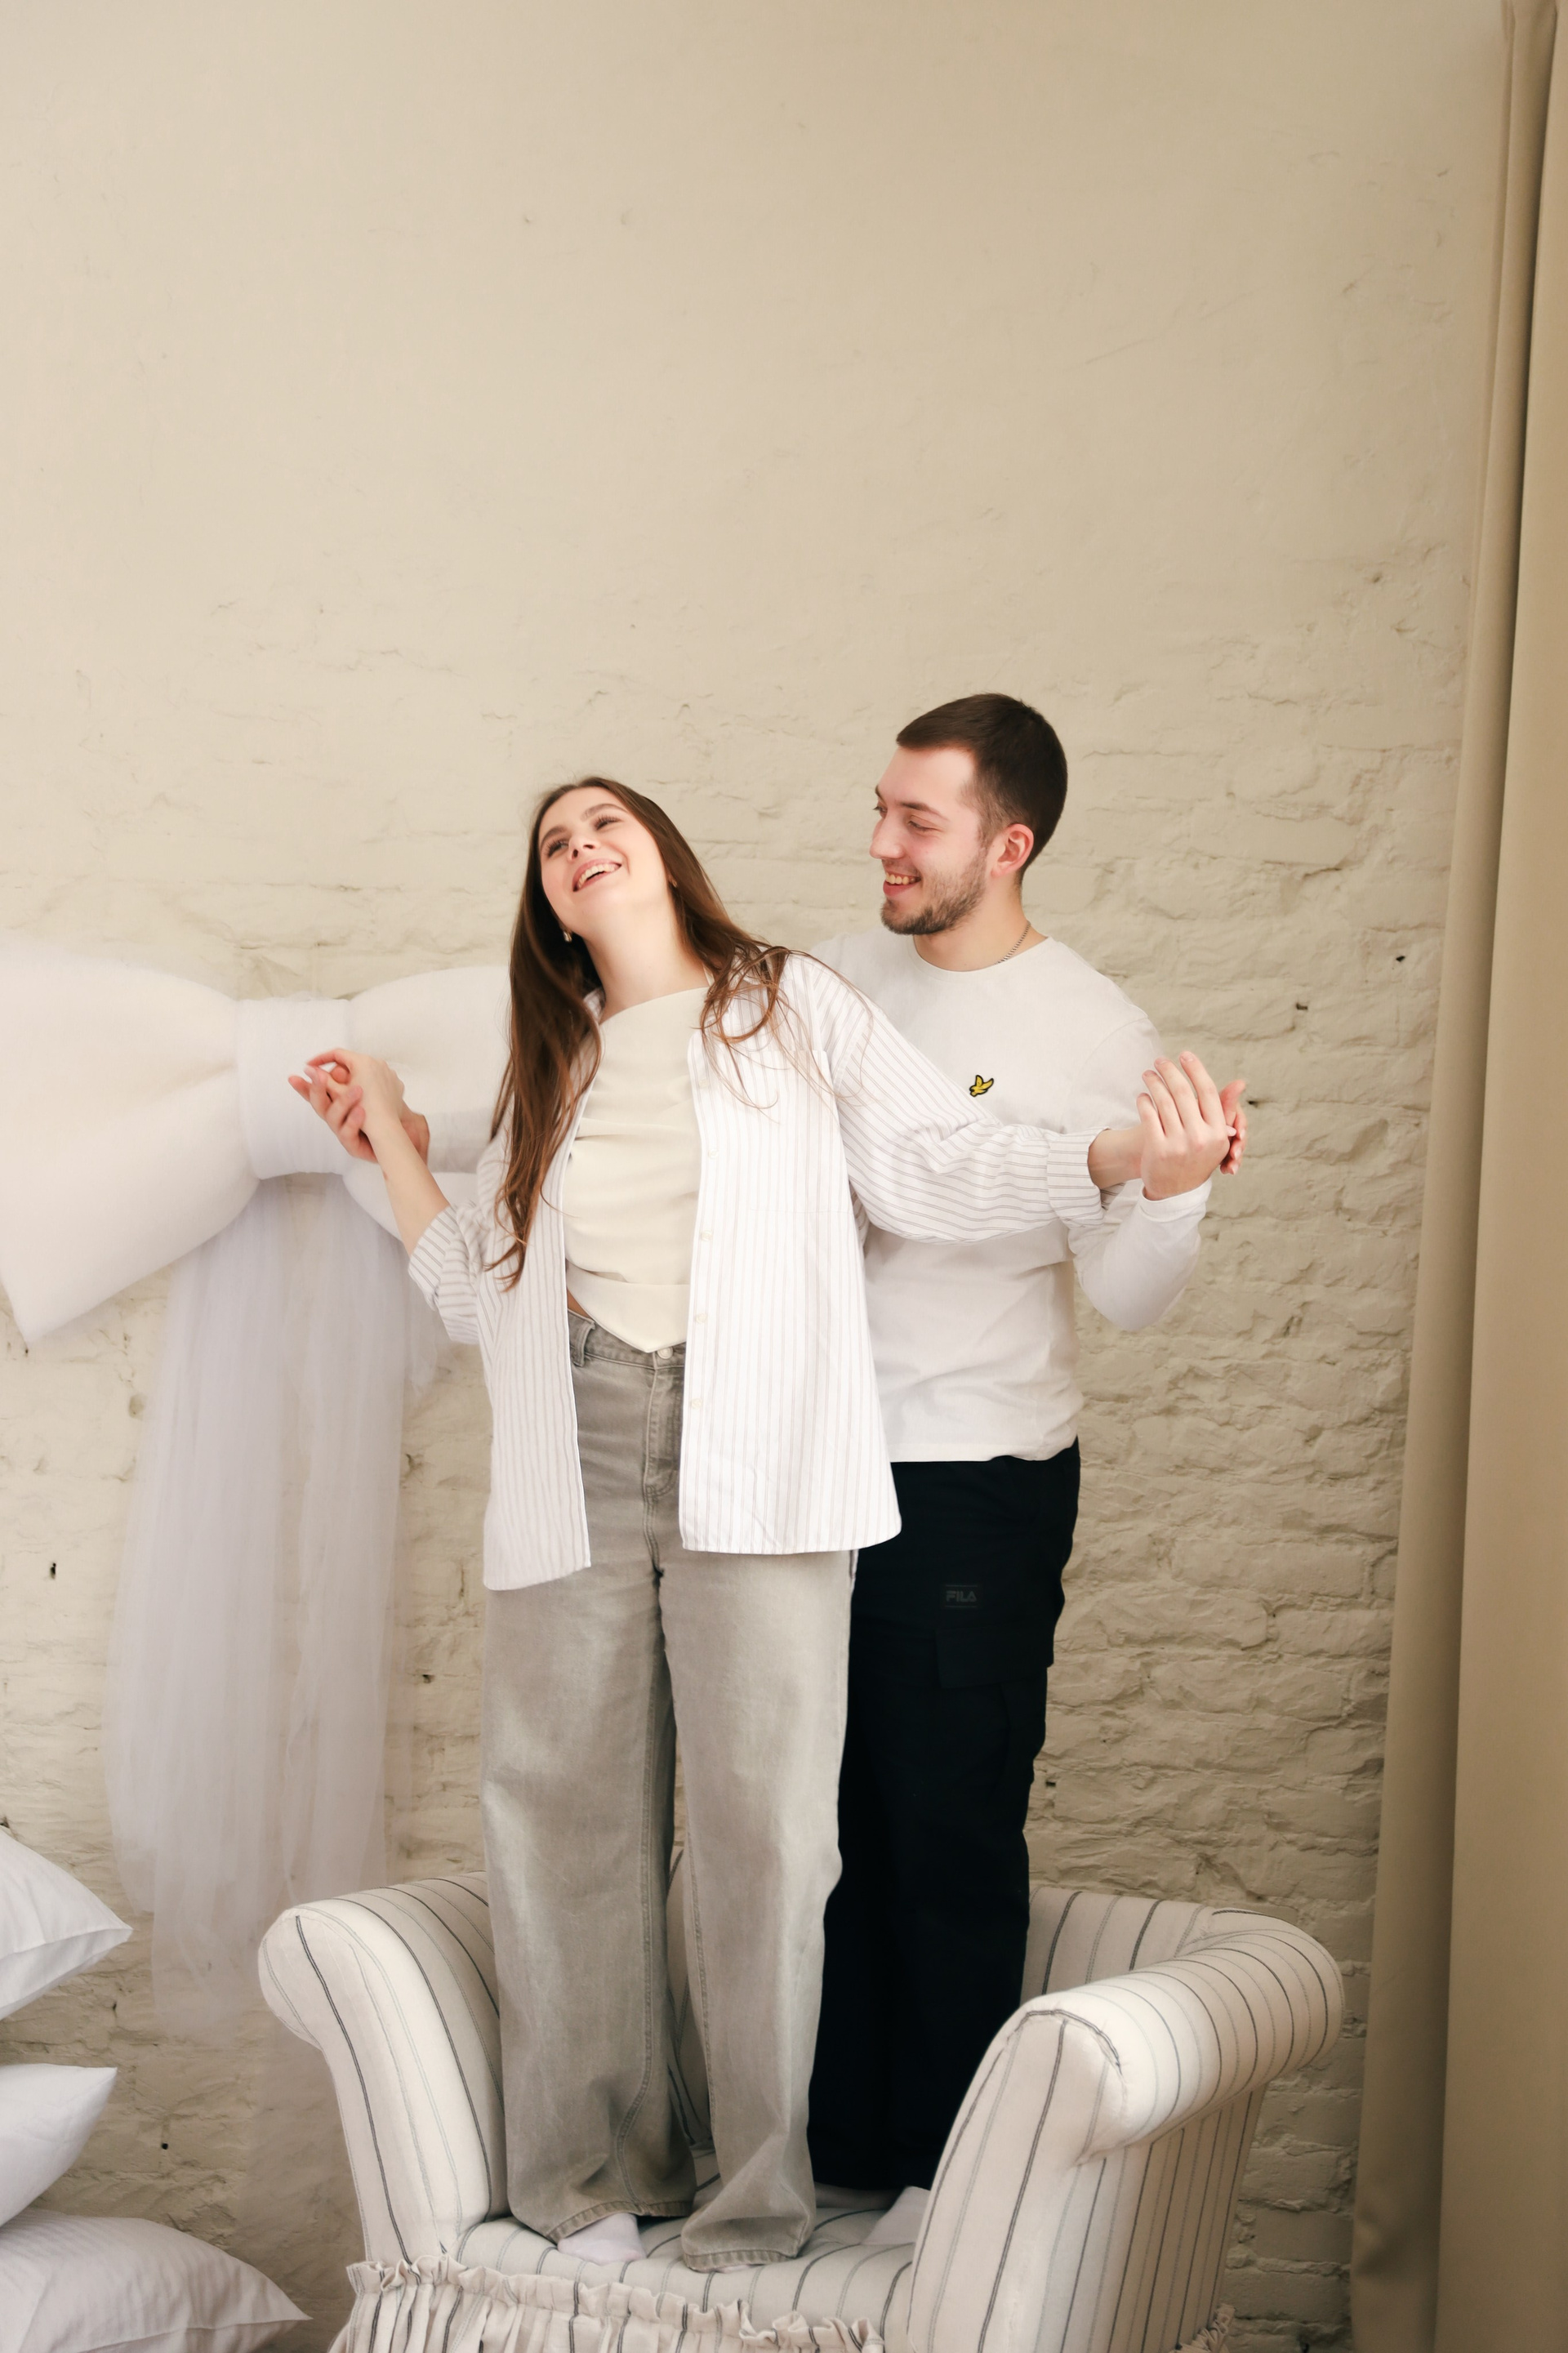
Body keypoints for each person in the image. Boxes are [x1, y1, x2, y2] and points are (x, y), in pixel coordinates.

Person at [291, 774, 1237, 2275]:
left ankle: (752, 2197)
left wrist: (1129, 1159)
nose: (581, 846)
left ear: (665, 854)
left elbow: (936, 1159)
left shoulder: (788, 1004)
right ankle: (589, 2183)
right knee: (559, 1811)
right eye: (554, 842)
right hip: (575, 1429)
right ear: (550, 902)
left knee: (770, 1832)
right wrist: (397, 1144)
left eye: (605, 823)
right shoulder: (554, 1057)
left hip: (761, 1438)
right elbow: (479, 1288)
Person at [808, 695, 1246, 2249]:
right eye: (880, 808)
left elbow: (1125, 1294)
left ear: (1009, 843)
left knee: (944, 1832)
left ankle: (946, 2195)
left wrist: (1172, 1190)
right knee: (819, 1835)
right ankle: (832, 2167)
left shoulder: (1093, 1034)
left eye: (916, 821)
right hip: (807, 1474)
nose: (882, 842)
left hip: (972, 1484)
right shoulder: (831, 983)